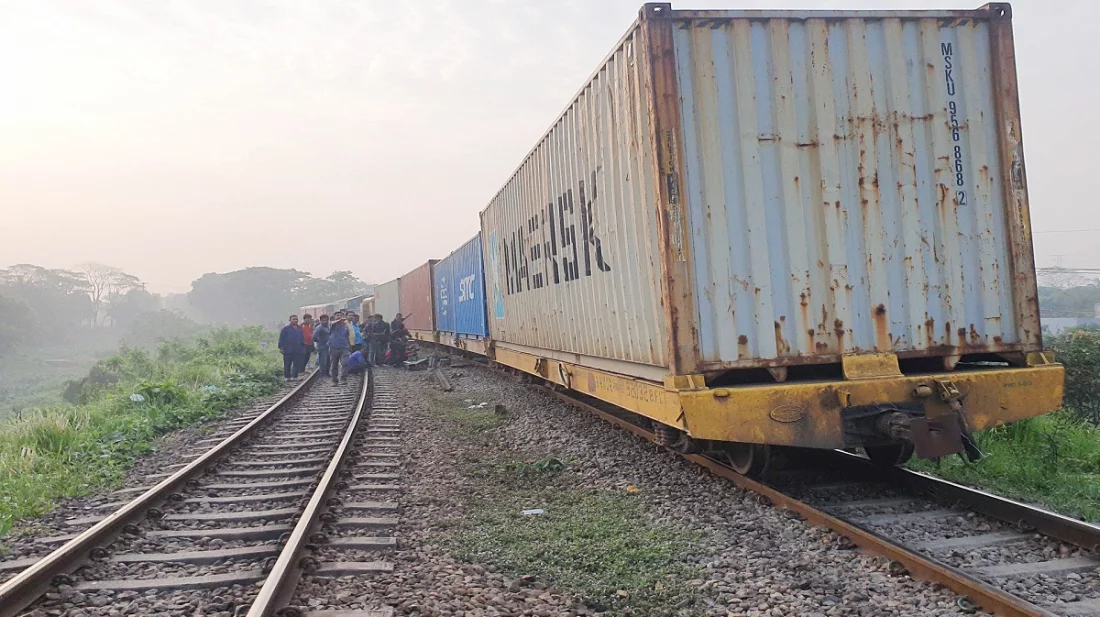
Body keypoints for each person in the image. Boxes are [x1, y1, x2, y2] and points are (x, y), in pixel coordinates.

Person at [327, 311, 352, 385]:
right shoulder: (332, 324)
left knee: (345, 363)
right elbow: (332, 323)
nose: (339, 316)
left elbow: (347, 336)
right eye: (337, 315)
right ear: (334, 317)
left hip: (344, 347)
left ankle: (343, 378)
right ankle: (334, 379)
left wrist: (349, 345)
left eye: (341, 315)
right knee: (334, 364)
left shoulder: (345, 326)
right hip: (333, 347)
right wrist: (339, 320)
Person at [277, 315, 305, 381]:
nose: (295, 320)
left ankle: (294, 376)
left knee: (296, 363)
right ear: (290, 320)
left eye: (296, 319)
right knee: (287, 364)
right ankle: (287, 377)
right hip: (288, 349)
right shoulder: (285, 329)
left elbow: (302, 338)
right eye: (293, 319)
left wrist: (303, 347)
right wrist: (281, 347)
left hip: (298, 349)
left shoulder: (300, 328)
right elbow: (281, 339)